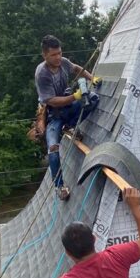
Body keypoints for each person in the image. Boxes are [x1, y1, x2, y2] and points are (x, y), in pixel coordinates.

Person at [34, 35, 99, 200]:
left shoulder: (63, 62)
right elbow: (52, 101)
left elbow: (77, 68)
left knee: (93, 99)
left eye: (59, 53)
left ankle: (69, 126)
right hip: (53, 115)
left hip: (68, 107)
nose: (58, 58)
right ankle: (59, 186)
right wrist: (75, 97)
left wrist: (92, 78)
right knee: (53, 150)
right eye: (53, 55)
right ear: (45, 56)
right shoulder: (42, 74)